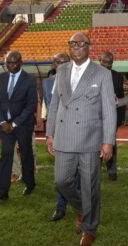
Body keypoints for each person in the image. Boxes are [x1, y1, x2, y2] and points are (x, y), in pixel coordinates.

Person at [46, 32, 116, 246]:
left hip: (90, 139)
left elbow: (109, 110)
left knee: (90, 186)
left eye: (81, 43)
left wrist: (108, 141)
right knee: (61, 181)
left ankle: (89, 228)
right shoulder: (62, 70)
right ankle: (84, 208)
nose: (76, 47)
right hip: (64, 136)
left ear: (88, 47)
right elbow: (55, 104)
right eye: (72, 43)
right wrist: (50, 133)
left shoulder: (102, 74)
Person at [0, 51, 37, 200]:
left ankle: (29, 184)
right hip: (5, 126)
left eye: (14, 62)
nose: (11, 65)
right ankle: (2, 190)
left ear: (21, 62)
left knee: (26, 154)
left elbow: (31, 106)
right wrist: (3, 122)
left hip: (23, 125)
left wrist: (15, 123)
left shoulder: (30, 80)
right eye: (8, 63)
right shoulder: (1, 78)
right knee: (5, 155)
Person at [42, 52, 73, 222]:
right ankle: (60, 207)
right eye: (58, 62)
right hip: (58, 135)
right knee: (61, 176)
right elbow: (49, 110)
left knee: (79, 174)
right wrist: (49, 135)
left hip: (77, 134)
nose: (61, 64)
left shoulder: (75, 81)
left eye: (65, 61)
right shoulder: (46, 83)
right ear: (53, 65)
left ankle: (83, 207)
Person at [100, 51, 125, 181]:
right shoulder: (92, 74)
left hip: (111, 115)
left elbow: (120, 96)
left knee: (110, 142)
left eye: (109, 63)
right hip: (96, 116)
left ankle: (112, 170)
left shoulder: (117, 76)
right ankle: (95, 169)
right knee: (95, 142)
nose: (107, 65)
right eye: (104, 62)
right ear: (100, 60)